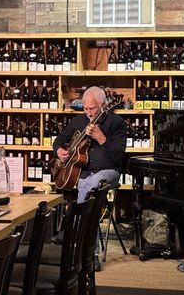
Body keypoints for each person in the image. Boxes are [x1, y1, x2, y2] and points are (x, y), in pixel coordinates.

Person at [53, 86, 127, 270]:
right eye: (85, 108)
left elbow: (119, 156)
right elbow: (59, 140)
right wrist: (59, 151)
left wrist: (102, 138)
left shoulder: (116, 122)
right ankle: (87, 251)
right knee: (88, 189)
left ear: (103, 105)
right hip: (84, 173)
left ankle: (74, 232)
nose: (88, 113)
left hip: (109, 172)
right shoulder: (79, 120)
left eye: (92, 108)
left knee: (89, 186)